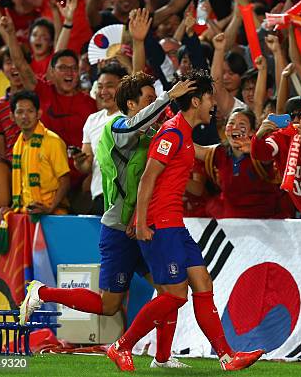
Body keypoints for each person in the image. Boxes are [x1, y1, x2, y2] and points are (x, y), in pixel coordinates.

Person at [18, 72, 196, 369]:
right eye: (149, 100)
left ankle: (162, 358)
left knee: (169, 292)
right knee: (108, 305)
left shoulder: (148, 135)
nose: (156, 105)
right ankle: (41, 292)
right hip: (117, 228)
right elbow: (139, 123)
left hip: (140, 227)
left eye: (156, 99)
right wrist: (169, 97)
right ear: (130, 103)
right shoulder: (117, 127)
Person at [106, 69, 264, 372]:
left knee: (203, 283)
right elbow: (147, 179)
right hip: (159, 225)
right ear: (194, 101)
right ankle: (121, 346)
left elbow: (201, 155)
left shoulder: (184, 134)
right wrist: (141, 223)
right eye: (209, 99)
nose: (213, 105)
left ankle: (227, 358)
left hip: (175, 225)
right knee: (176, 296)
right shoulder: (171, 132)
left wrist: (246, 144)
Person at [195, 108, 290, 219]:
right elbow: (186, 146)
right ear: (225, 129)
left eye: (242, 124)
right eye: (231, 123)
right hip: (232, 226)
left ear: (252, 131)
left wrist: (258, 138)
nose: (235, 128)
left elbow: (266, 155)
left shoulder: (263, 150)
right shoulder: (218, 153)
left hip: (266, 224)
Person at [0, 91, 70, 215]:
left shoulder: (53, 141)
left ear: (39, 114)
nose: (25, 116)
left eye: (30, 111)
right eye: (20, 112)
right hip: (27, 213)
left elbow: (65, 180)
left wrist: (50, 209)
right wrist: (13, 207)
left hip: (54, 215)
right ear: (12, 116)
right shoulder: (18, 145)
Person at [73, 63, 127, 215]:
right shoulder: (92, 120)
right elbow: (87, 166)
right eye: (100, 86)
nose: (103, 92)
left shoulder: (132, 118)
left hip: (126, 196)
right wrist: (80, 162)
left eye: (109, 86)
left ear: (123, 87)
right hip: (99, 195)